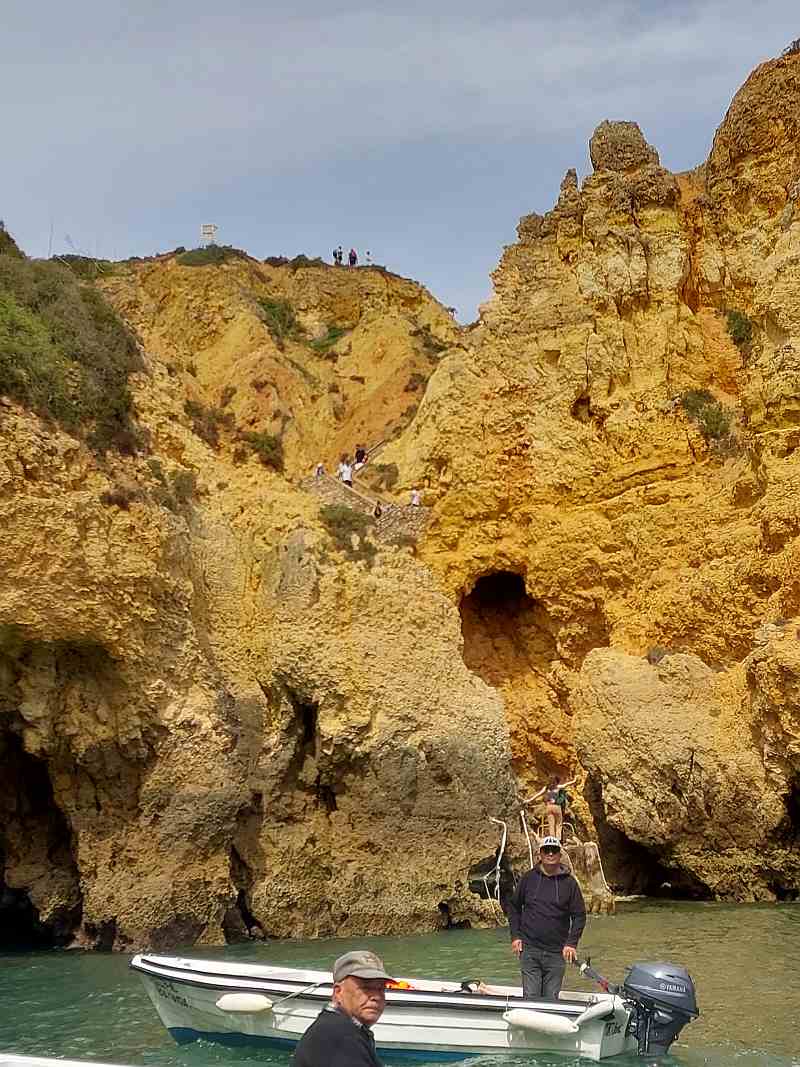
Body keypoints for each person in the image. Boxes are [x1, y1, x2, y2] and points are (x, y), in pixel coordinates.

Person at [508, 837, 586, 1000]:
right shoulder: (528, 878)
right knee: (531, 997)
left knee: (551, 999)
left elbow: (579, 915)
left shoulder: (570, 883)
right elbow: (514, 907)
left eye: (554, 850)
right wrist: (515, 936)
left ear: (560, 855)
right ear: (540, 854)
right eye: (546, 850)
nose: (550, 854)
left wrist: (571, 944)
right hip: (530, 950)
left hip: (556, 953)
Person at [292, 950, 391, 1067]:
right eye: (366, 987)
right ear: (338, 992)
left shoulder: (336, 1028)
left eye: (381, 989)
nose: (376, 997)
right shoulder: (339, 1037)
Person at [528, 774, 577, 841]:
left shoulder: (546, 788)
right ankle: (558, 839)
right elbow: (567, 784)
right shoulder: (557, 787)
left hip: (549, 807)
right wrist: (574, 780)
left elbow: (537, 795)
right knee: (558, 824)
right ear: (556, 781)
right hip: (556, 807)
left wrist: (528, 800)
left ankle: (552, 840)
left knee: (551, 825)